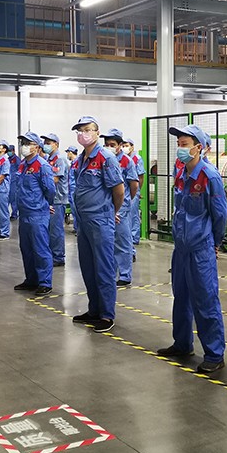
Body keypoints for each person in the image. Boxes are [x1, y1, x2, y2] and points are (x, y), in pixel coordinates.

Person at [156, 124, 227, 373]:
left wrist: (214, 243)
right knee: (181, 297)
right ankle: (182, 344)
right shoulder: (180, 171)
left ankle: (214, 354)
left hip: (201, 248)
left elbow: (220, 214)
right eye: (179, 144)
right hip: (181, 248)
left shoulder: (209, 176)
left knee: (205, 301)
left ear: (199, 147)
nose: (180, 148)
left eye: (185, 144)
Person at [71, 116, 125, 333]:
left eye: (87, 129)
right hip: (83, 220)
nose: (83, 134)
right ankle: (94, 310)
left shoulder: (105, 158)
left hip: (100, 220)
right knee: (88, 267)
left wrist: (112, 212)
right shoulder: (81, 159)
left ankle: (106, 315)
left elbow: (119, 190)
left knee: (103, 267)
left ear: (96, 132)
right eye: (80, 130)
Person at [13, 132, 56, 296]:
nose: (24, 146)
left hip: (37, 213)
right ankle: (31, 279)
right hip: (24, 213)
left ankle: (45, 282)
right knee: (27, 249)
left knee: (40, 249)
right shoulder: (23, 164)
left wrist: (45, 204)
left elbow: (50, 189)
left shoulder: (42, 165)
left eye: (27, 143)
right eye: (23, 142)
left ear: (36, 147)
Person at [101, 128, 139, 287]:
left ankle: (124, 275)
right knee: (107, 242)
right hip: (105, 207)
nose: (108, 147)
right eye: (106, 144)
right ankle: (110, 273)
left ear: (119, 145)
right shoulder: (103, 159)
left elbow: (134, 185)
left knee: (122, 241)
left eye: (112, 144)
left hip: (121, 208)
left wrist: (125, 204)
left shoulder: (127, 161)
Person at [42, 133, 68, 267]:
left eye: (48, 143)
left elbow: (56, 179)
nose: (45, 145)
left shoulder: (60, 159)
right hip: (49, 199)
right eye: (45, 143)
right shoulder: (48, 159)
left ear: (56, 144)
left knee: (56, 230)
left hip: (58, 199)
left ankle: (58, 256)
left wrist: (40, 182)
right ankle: (52, 254)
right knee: (49, 229)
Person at [122, 138, 145, 252]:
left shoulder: (137, 158)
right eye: (123, 145)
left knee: (133, 214)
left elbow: (140, 177)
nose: (124, 148)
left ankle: (134, 237)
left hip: (133, 190)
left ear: (132, 147)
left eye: (126, 145)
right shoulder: (122, 158)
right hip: (124, 191)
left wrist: (137, 191)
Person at [66, 146, 79, 233]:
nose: (67, 155)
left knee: (76, 210)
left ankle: (79, 229)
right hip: (71, 189)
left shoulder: (78, 163)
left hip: (75, 190)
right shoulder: (73, 164)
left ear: (71, 152)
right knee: (73, 210)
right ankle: (76, 228)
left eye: (68, 153)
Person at [8, 144, 21, 220]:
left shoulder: (17, 159)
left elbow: (19, 170)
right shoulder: (8, 160)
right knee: (8, 198)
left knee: (13, 198)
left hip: (14, 182)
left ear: (13, 151)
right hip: (8, 182)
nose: (9, 152)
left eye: (10, 151)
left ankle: (14, 214)